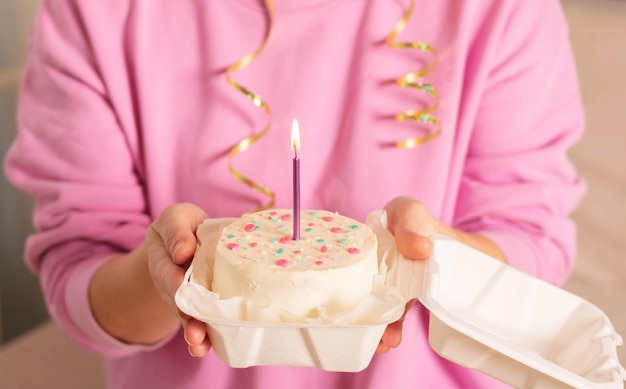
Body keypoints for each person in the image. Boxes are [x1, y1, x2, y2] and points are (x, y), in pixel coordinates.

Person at [4, 0, 585, 387]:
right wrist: (166, 277)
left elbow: (531, 243)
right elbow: (78, 276)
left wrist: (435, 260)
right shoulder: (95, 14)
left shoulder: (502, 11)